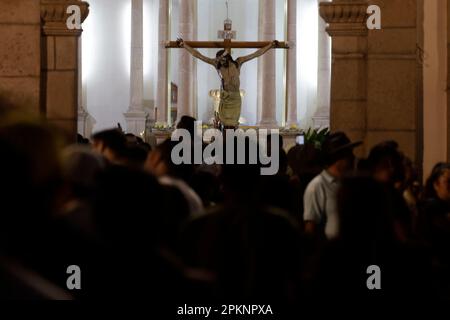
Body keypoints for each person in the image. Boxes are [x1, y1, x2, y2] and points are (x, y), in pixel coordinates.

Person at [177, 38, 278, 129]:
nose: (221, 62)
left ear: (227, 57)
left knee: (233, 126)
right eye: (220, 60)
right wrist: (184, 45)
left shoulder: (238, 62)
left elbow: (256, 54)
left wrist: (270, 46)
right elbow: (198, 55)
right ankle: (224, 145)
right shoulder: (217, 65)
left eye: (223, 59)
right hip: (225, 99)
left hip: (235, 99)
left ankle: (232, 145)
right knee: (225, 126)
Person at [303, 132, 362, 239]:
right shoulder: (317, 186)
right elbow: (310, 228)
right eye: (349, 154)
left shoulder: (349, 184)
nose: (353, 157)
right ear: (339, 159)